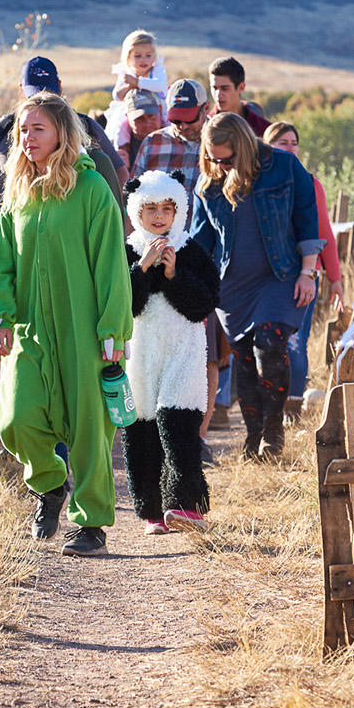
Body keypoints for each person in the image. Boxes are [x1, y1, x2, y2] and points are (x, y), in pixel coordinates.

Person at [0, 92, 133, 557]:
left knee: (89, 428)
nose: (27, 138)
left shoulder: (90, 190)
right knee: (15, 419)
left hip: (84, 328)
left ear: (63, 133)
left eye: (38, 128)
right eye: (23, 130)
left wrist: (113, 328)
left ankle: (91, 525)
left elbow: (111, 264)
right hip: (29, 329)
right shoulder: (18, 194)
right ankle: (49, 486)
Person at [189, 113, 322, 460]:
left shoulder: (285, 166)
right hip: (232, 286)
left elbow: (308, 217)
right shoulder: (209, 183)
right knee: (244, 360)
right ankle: (254, 436)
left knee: (270, 343)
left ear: (244, 146)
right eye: (214, 158)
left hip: (281, 277)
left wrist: (308, 272)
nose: (220, 164)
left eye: (227, 158)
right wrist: (192, 288)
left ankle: (274, 430)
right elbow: (200, 242)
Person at [119, 170, 219, 534]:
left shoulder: (190, 249)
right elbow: (121, 305)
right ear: (135, 209)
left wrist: (175, 275)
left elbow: (205, 303)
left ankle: (188, 506)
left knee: (177, 421)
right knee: (142, 427)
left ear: (179, 210)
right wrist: (143, 267)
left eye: (167, 208)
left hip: (184, 351)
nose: (159, 216)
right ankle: (152, 511)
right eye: (150, 208)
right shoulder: (127, 249)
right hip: (141, 353)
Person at [0, 56, 127, 279]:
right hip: (19, 247)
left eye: (49, 93)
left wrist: (117, 237)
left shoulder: (86, 128)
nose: (43, 99)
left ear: (59, 87)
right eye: (34, 93)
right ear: (21, 90)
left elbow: (117, 173)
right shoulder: (0, 132)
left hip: (73, 253)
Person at [132, 78, 225, 458]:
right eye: (177, 120)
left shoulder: (214, 146)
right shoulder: (154, 143)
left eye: (190, 120)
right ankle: (152, 428)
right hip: (152, 253)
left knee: (206, 349)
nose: (183, 127)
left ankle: (196, 435)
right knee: (150, 344)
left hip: (197, 253)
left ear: (206, 112)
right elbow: (135, 197)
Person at [264, 120, 344, 410]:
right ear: (267, 145)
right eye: (283, 143)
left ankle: (294, 404)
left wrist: (335, 278)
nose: (290, 148)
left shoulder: (310, 183)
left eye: (294, 143)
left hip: (305, 274)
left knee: (296, 341)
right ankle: (266, 406)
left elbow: (324, 232)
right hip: (265, 276)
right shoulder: (254, 180)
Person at [209, 56, 271, 137]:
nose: (218, 95)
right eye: (215, 88)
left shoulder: (264, 130)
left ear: (241, 87)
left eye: (225, 88)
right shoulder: (204, 127)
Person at [116, 89, 162, 173]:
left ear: (160, 110)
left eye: (151, 116)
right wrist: (119, 170)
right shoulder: (117, 150)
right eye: (139, 118)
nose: (148, 123)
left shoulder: (180, 141)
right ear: (127, 117)